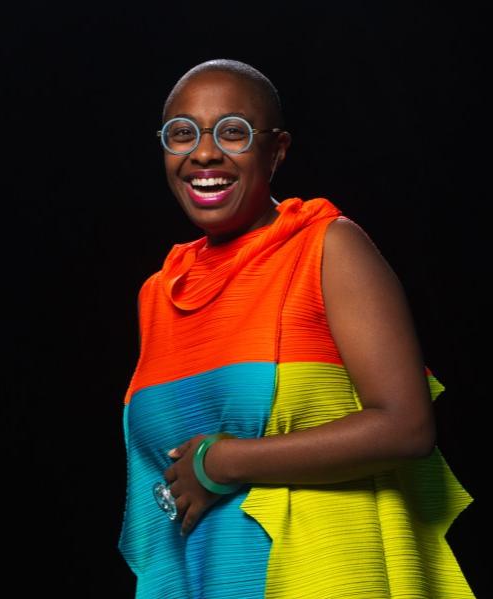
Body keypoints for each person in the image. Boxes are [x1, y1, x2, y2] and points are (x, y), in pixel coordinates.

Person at [118, 59, 474, 598]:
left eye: (232, 132)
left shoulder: (327, 248)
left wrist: (223, 460)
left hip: (325, 576)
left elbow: (406, 427)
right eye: (182, 134)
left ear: (277, 150)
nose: (205, 153)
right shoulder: (160, 293)